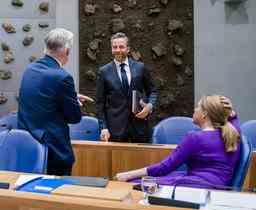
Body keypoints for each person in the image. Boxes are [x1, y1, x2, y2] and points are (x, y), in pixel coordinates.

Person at [116, 95, 241, 189]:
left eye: (198, 106)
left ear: (204, 114)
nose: (195, 109)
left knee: (134, 183)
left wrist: (127, 175)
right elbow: (233, 117)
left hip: (196, 188)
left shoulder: (195, 138)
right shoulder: (233, 133)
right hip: (219, 188)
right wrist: (228, 111)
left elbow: (164, 168)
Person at [18, 28, 93, 176]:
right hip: (54, 151)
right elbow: (74, 117)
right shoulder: (62, 77)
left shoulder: (30, 69)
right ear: (66, 51)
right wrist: (72, 101)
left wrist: (70, 95)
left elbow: (39, 96)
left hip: (27, 144)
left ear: (46, 47)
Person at [96, 32, 157, 143]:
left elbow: (153, 91)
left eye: (121, 47)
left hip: (140, 127)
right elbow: (100, 103)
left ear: (128, 49)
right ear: (111, 49)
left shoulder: (140, 67)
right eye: (115, 47)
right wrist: (103, 127)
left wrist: (150, 106)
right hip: (115, 129)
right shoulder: (104, 71)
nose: (118, 50)